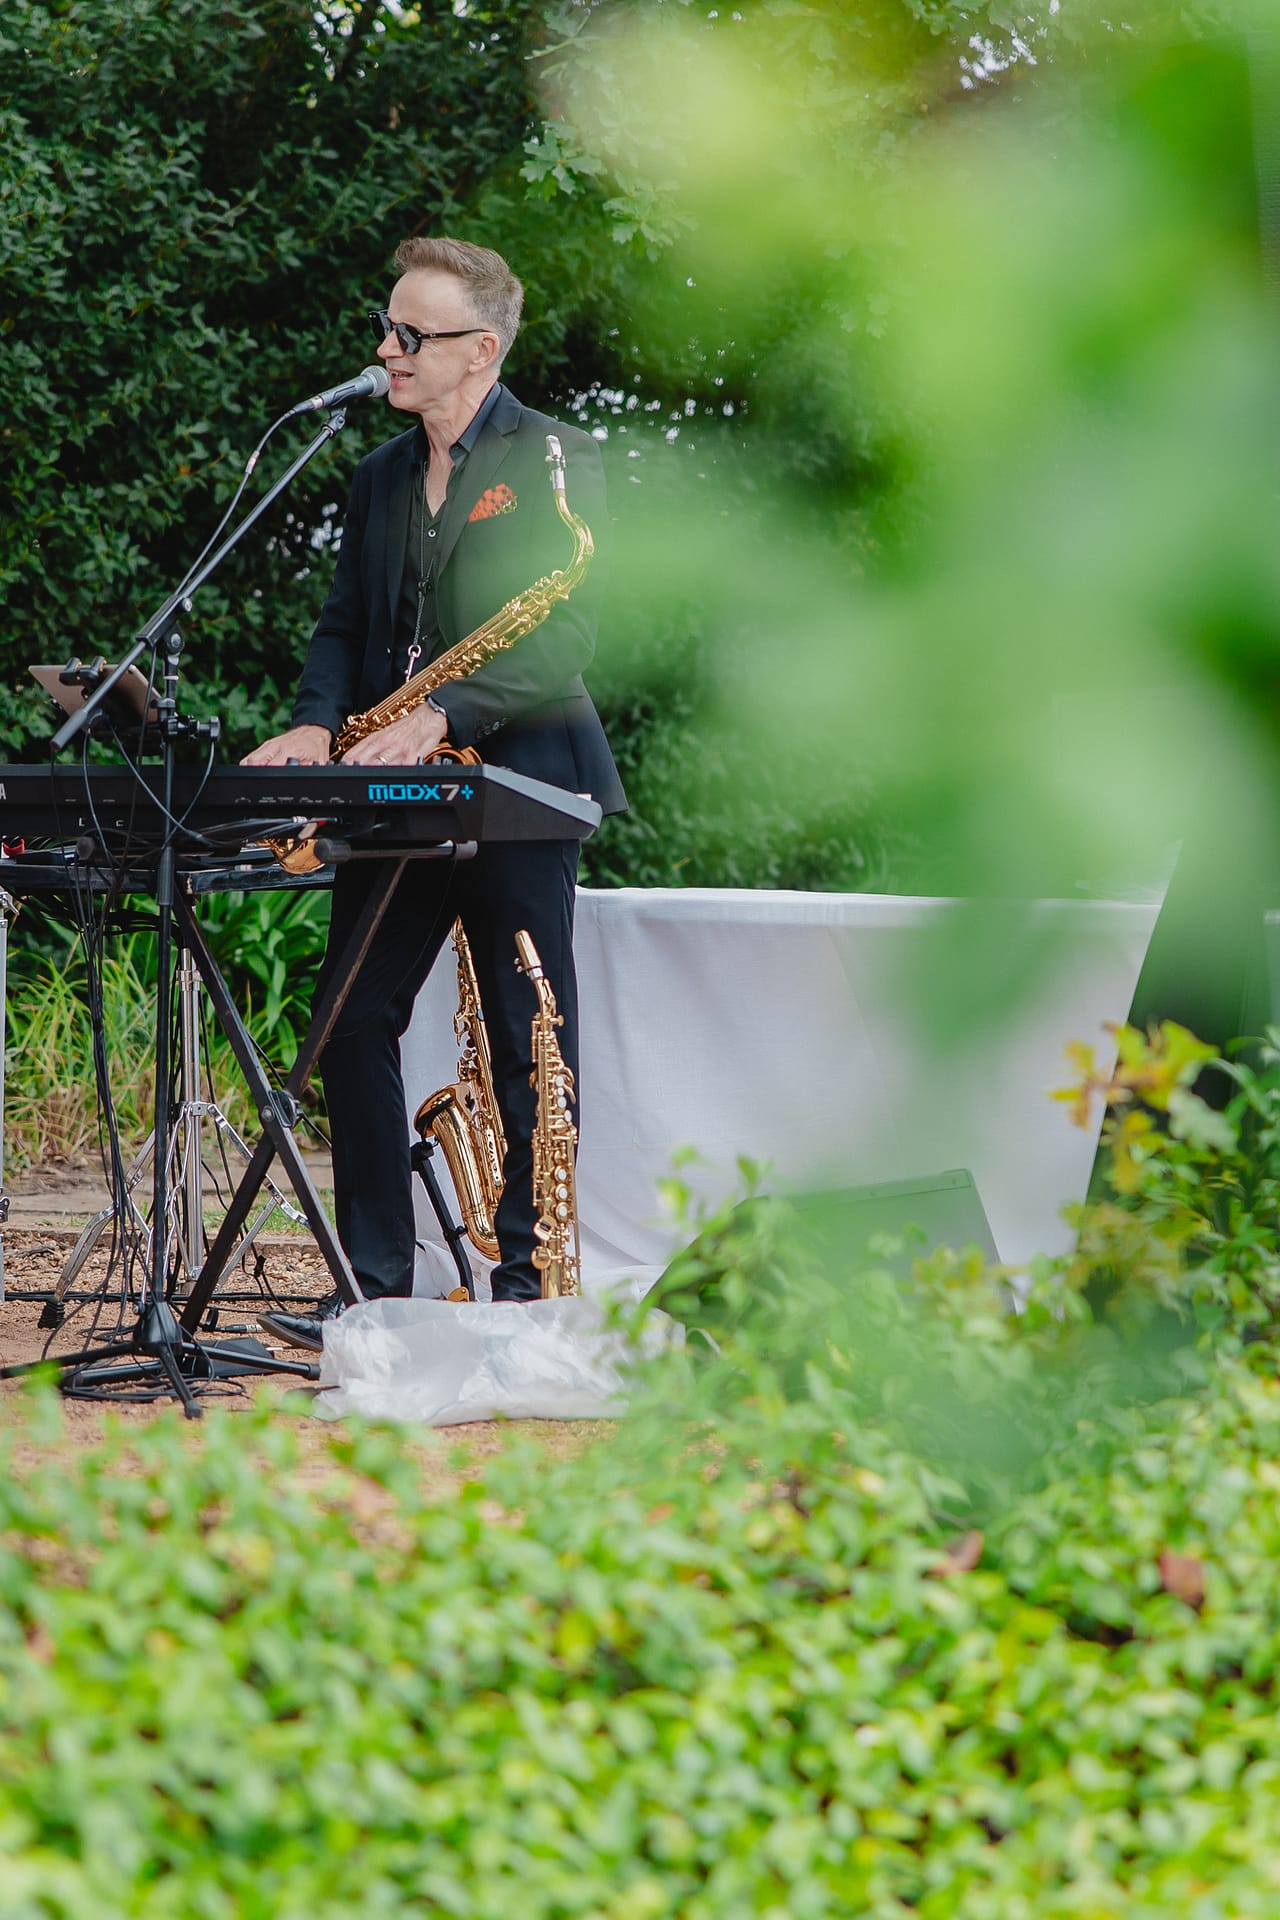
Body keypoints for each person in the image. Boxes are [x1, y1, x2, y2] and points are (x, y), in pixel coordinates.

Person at [244, 236, 624, 1347]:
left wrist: (446, 713)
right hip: (391, 787)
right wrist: (318, 722)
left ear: (481, 350)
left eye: (412, 334)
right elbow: (342, 627)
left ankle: (527, 1284)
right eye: (387, 328)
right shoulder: (376, 475)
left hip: (520, 781)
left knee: (524, 1029)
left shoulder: (554, 458)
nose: (386, 350)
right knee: (350, 1020)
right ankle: (371, 1284)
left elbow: (570, 631)